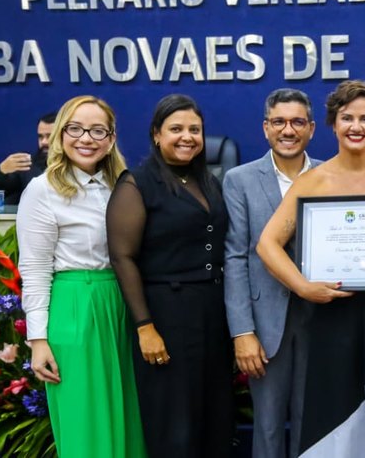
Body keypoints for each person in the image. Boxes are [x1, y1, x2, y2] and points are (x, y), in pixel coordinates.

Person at [256, 80, 365, 457]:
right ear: (333, 124)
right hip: (334, 318)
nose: (356, 126)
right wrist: (303, 287)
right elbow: (267, 244)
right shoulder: (312, 181)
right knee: (337, 421)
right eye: (347, 117)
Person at [18, 96, 145, 458]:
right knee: (85, 420)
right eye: (75, 128)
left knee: (130, 415)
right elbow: (35, 269)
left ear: (111, 138)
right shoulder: (42, 190)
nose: (85, 138)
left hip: (122, 304)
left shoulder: (124, 185)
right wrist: (38, 339)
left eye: (97, 130)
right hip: (75, 306)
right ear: (60, 134)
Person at [107, 94, 233, 457]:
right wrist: (145, 327)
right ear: (156, 134)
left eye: (195, 129)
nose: (187, 137)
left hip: (211, 312)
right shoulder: (137, 184)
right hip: (166, 315)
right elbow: (122, 257)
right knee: (174, 423)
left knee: (215, 416)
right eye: (176, 129)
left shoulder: (207, 180)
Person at [223, 88, 322, 458]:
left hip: (324, 318)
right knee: (266, 427)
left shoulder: (333, 175)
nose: (288, 130)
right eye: (279, 122)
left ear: (311, 129)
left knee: (314, 421)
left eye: (298, 122)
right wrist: (242, 332)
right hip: (265, 323)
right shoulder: (240, 179)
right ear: (265, 128)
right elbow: (234, 257)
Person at [0, 112, 55, 204]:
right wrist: (0, 173)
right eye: (40, 137)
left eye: (49, 136)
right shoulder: (26, 166)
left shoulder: (76, 165)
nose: (43, 142)